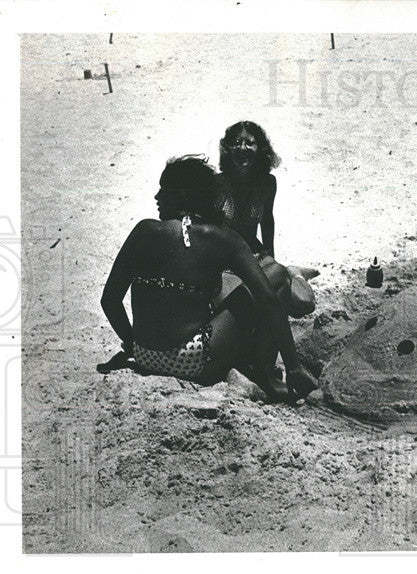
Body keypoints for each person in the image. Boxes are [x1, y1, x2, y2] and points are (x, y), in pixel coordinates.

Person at [100, 155, 317, 402]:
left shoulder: (145, 230)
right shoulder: (223, 238)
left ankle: (255, 362)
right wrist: (294, 366)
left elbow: (109, 301)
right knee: (277, 274)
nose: (157, 197)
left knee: (219, 291)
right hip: (195, 361)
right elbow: (268, 298)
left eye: (164, 190)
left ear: (183, 195)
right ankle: (265, 373)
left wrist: (132, 342)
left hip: (144, 355)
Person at [215, 120, 317, 318]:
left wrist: (271, 259)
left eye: (249, 143)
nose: (242, 148)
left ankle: (293, 273)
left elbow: (267, 221)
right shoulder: (217, 183)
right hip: (224, 257)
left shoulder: (267, 183)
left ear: (260, 148)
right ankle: (289, 273)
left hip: (252, 252)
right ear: (228, 148)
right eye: (236, 142)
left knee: (302, 304)